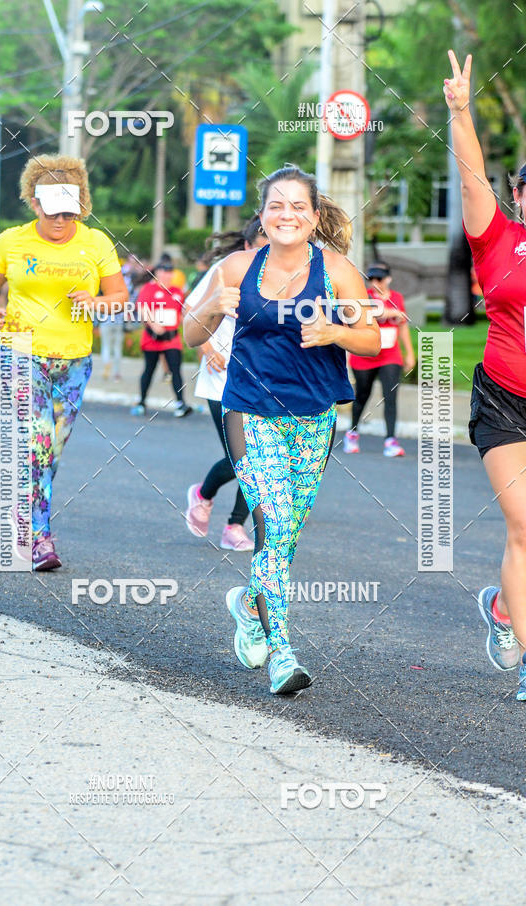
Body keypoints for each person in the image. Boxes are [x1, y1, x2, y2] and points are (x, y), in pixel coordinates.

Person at [184, 164, 380, 694]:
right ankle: (283, 653)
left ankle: (250, 605)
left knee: (286, 533)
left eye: (298, 206)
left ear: (314, 217)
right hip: (248, 411)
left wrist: (336, 329)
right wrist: (209, 307)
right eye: (276, 205)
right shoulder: (235, 267)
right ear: (263, 215)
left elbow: (372, 341)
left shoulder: (337, 270)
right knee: (270, 522)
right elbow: (187, 332)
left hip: (315, 415)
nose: (286, 214)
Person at [0, 154, 128, 570]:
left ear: (80, 205)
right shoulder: (12, 241)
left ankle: (23, 512)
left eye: (69, 210)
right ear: (34, 202)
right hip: (20, 349)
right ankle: (39, 536)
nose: (60, 220)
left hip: (75, 360)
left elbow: (119, 299)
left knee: (52, 450)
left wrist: (98, 302)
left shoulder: (96, 243)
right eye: (51, 210)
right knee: (39, 444)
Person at [445, 50, 526, 698]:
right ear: (520, 194)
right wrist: (460, 109)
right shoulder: (498, 240)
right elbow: (472, 179)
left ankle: (504, 607)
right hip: (505, 399)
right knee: (525, 526)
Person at [184, 217, 267, 552]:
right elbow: (191, 310)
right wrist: (207, 348)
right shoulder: (226, 268)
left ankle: (234, 526)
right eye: (261, 248)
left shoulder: (288, 273)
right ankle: (202, 495)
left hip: (265, 382)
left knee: (260, 460)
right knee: (241, 460)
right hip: (222, 380)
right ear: (247, 247)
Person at [343, 262, 415, 456]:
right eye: (372, 278)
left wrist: (410, 352)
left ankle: (390, 441)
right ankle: (352, 434)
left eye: (380, 279)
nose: (375, 282)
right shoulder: (365, 297)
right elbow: (372, 312)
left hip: (390, 355)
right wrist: (393, 313)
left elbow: (403, 326)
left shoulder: (397, 298)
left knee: (390, 397)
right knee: (362, 395)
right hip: (364, 354)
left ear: (388, 279)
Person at [131, 253, 192, 417]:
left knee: (176, 370)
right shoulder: (149, 289)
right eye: (164, 272)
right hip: (152, 338)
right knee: (149, 370)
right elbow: (142, 308)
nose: (167, 275)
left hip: (171, 340)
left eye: (170, 272)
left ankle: (181, 403)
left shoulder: (177, 292)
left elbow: (183, 312)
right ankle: (142, 401)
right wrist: (153, 324)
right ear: (157, 273)